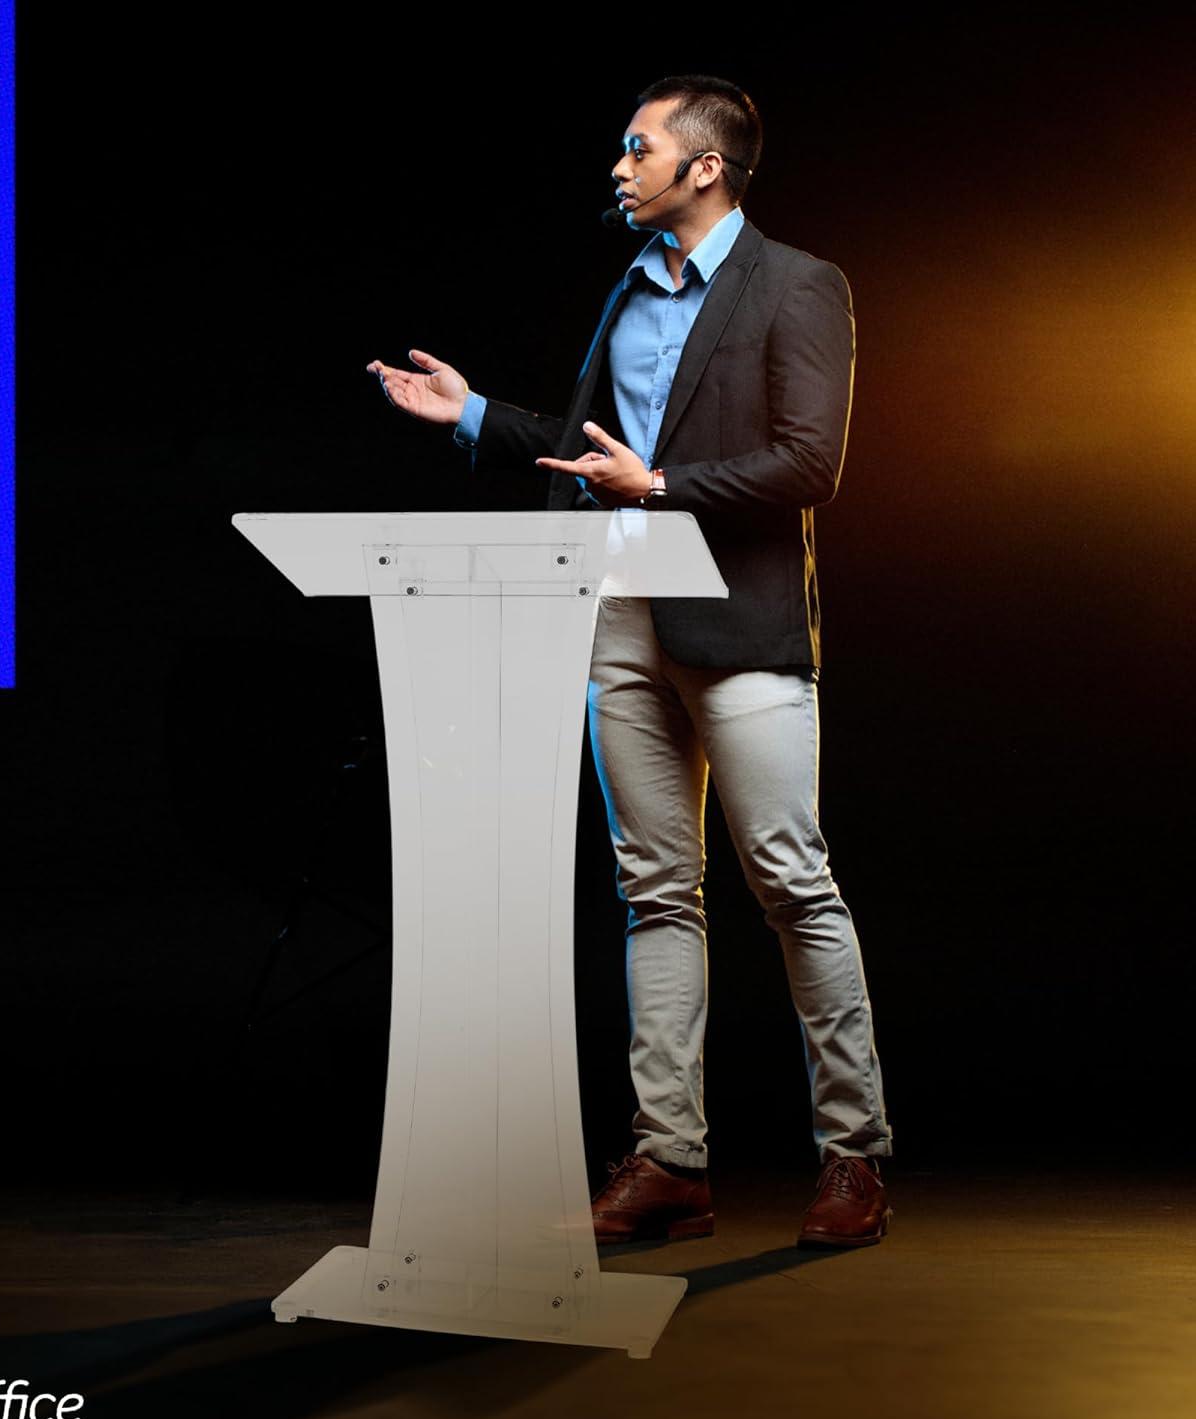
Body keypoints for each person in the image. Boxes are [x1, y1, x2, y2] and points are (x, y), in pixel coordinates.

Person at [366, 74, 894, 1250]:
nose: (618, 165)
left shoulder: (799, 286)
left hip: (741, 625)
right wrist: (468, 415)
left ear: (703, 167)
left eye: (636, 147)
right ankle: (671, 1163)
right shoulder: (629, 290)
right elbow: (581, 455)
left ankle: (854, 1158)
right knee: (656, 895)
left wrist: (658, 489)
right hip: (618, 621)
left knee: (791, 884)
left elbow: (811, 464)